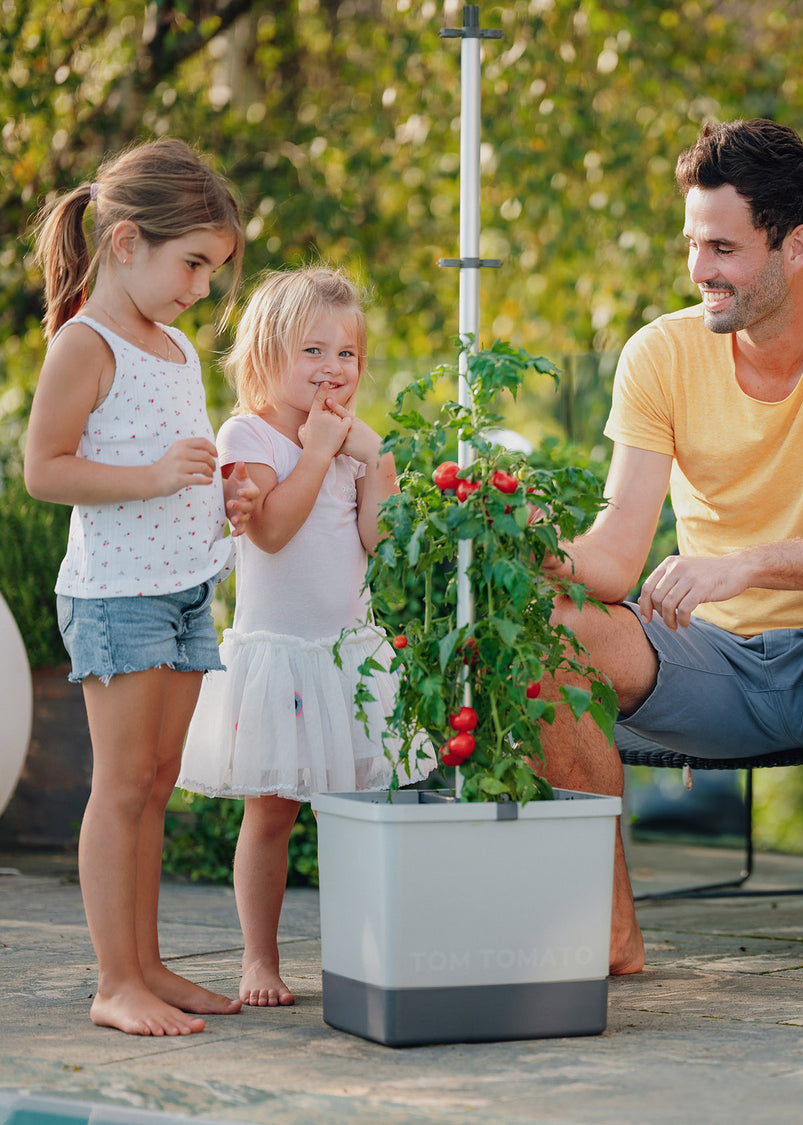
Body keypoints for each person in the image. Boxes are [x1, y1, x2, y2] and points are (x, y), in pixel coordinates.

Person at [540, 119, 803, 1025]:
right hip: (706, 665)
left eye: (724, 248)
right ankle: (610, 931)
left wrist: (747, 565)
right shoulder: (659, 352)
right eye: (693, 244)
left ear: (796, 246)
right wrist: (521, 545)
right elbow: (614, 555)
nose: (700, 268)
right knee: (554, 630)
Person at [24, 137, 258, 1036]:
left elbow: (178, 465)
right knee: (121, 785)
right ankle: (114, 980)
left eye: (213, 269)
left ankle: (149, 964)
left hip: (187, 589)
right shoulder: (83, 345)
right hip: (119, 597)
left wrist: (222, 494)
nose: (202, 286)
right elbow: (45, 469)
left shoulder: (176, 348)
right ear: (126, 242)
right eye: (192, 262)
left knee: (158, 782)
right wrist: (156, 478)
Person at [176, 266, 414, 1007]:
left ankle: (365, 950)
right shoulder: (245, 434)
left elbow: (381, 541)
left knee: (359, 811)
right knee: (271, 812)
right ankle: (259, 958)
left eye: (347, 354)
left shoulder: (353, 441)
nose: (332, 368)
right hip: (279, 658)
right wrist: (317, 452)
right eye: (313, 350)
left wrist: (376, 457)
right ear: (266, 355)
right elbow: (272, 531)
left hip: (349, 657)